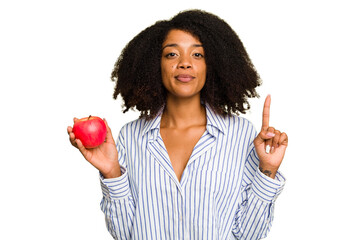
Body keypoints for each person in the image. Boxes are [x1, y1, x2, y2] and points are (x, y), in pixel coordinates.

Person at [67, 9, 288, 239]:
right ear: (155, 64)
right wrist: (112, 173)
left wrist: (268, 170)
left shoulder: (240, 134)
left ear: (212, 64)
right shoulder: (131, 137)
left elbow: (249, 235)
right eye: (172, 54)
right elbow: (125, 234)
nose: (184, 63)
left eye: (197, 55)